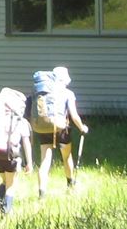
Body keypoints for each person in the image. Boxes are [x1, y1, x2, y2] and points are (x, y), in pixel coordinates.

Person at [33, 66, 89, 194]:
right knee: (66, 157)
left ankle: (42, 194)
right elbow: (74, 115)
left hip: (44, 127)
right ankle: (70, 184)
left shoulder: (43, 92)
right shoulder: (68, 93)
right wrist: (82, 128)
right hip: (61, 128)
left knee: (45, 160)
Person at [0, 98, 33, 219]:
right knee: (11, 185)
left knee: (5, 181)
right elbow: (27, 144)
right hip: (12, 156)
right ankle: (6, 212)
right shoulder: (21, 121)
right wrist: (29, 163)